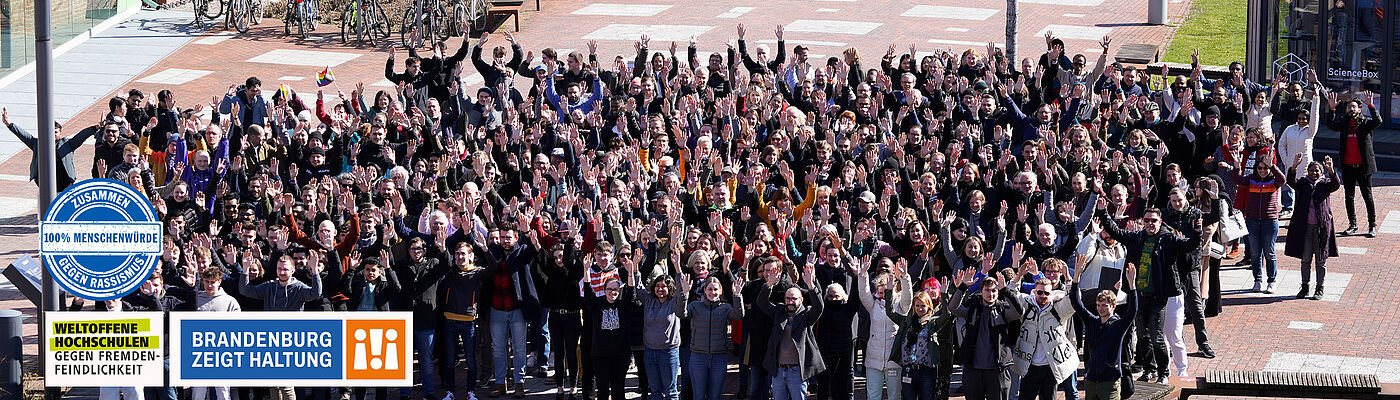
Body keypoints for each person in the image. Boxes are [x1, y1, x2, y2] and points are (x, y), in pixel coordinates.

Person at [1099, 209, 1202, 382]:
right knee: (1142, 337)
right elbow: (1115, 231)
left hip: (1159, 298)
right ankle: (1149, 370)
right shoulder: (1136, 238)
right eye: (1147, 220)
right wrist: (1103, 212)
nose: (1150, 223)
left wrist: (1197, 232)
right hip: (1140, 296)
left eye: (1153, 220)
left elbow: (1190, 245)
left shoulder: (1168, 240)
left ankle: (1164, 373)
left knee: (1157, 336)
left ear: (1160, 222)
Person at [1069, 254, 1138, 400]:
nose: (1100, 309)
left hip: (1110, 382)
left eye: (1104, 306)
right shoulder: (1092, 321)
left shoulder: (1118, 325)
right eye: (1098, 305)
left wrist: (1132, 285)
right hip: (1091, 380)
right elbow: (1076, 303)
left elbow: (1132, 311)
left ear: (1113, 306)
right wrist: (1076, 276)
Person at [952, 254, 1017, 400]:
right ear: (981, 292)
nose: (991, 293)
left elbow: (1018, 312)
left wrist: (1006, 291)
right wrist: (963, 287)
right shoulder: (972, 308)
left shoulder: (1003, 309)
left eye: (994, 290)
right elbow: (953, 308)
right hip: (973, 369)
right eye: (987, 290)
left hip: (997, 370)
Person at [756, 261, 824, 400]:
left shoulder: (807, 315)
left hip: (797, 370)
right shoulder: (779, 311)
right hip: (779, 370)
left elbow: (819, 307)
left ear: (801, 299)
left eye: (794, 299)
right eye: (787, 298)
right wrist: (769, 284)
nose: (790, 301)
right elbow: (761, 302)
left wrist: (811, 286)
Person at [679, 275, 746, 400]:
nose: (713, 292)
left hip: (718, 357)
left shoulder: (725, 308)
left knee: (715, 396)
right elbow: (681, 313)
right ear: (704, 290)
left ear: (720, 291)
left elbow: (738, 315)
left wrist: (737, 296)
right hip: (698, 357)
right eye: (709, 289)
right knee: (698, 396)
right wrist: (684, 293)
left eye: (716, 289)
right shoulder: (695, 306)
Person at [1324, 92, 1381, 237]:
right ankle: (1353, 224)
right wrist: (1332, 109)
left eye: (1354, 107)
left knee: (1367, 195)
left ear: (1359, 109)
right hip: (1348, 166)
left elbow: (1378, 121)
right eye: (1349, 107)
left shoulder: (1366, 123)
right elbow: (1330, 125)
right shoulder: (1344, 123)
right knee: (1349, 196)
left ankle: (1372, 225)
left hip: (1363, 166)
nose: (1351, 109)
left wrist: (1371, 105)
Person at [1285, 155, 1340, 300]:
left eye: (1317, 171)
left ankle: (1319, 288)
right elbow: (1291, 182)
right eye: (1311, 171)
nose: (1314, 173)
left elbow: (1336, 185)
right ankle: (1305, 287)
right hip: (1305, 228)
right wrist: (1294, 167)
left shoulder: (1326, 184)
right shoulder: (1303, 183)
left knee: (1321, 260)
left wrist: (1331, 170)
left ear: (1321, 172)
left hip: (1321, 227)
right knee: (1305, 259)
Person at [2, 107, 95, 191]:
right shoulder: (38, 144)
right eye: (50, 131)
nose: (53, 134)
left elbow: (81, 136)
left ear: (60, 133)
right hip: (45, 188)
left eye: (55, 132)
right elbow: (24, 135)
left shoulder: (67, 144)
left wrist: (95, 128)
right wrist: (9, 124)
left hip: (65, 187)